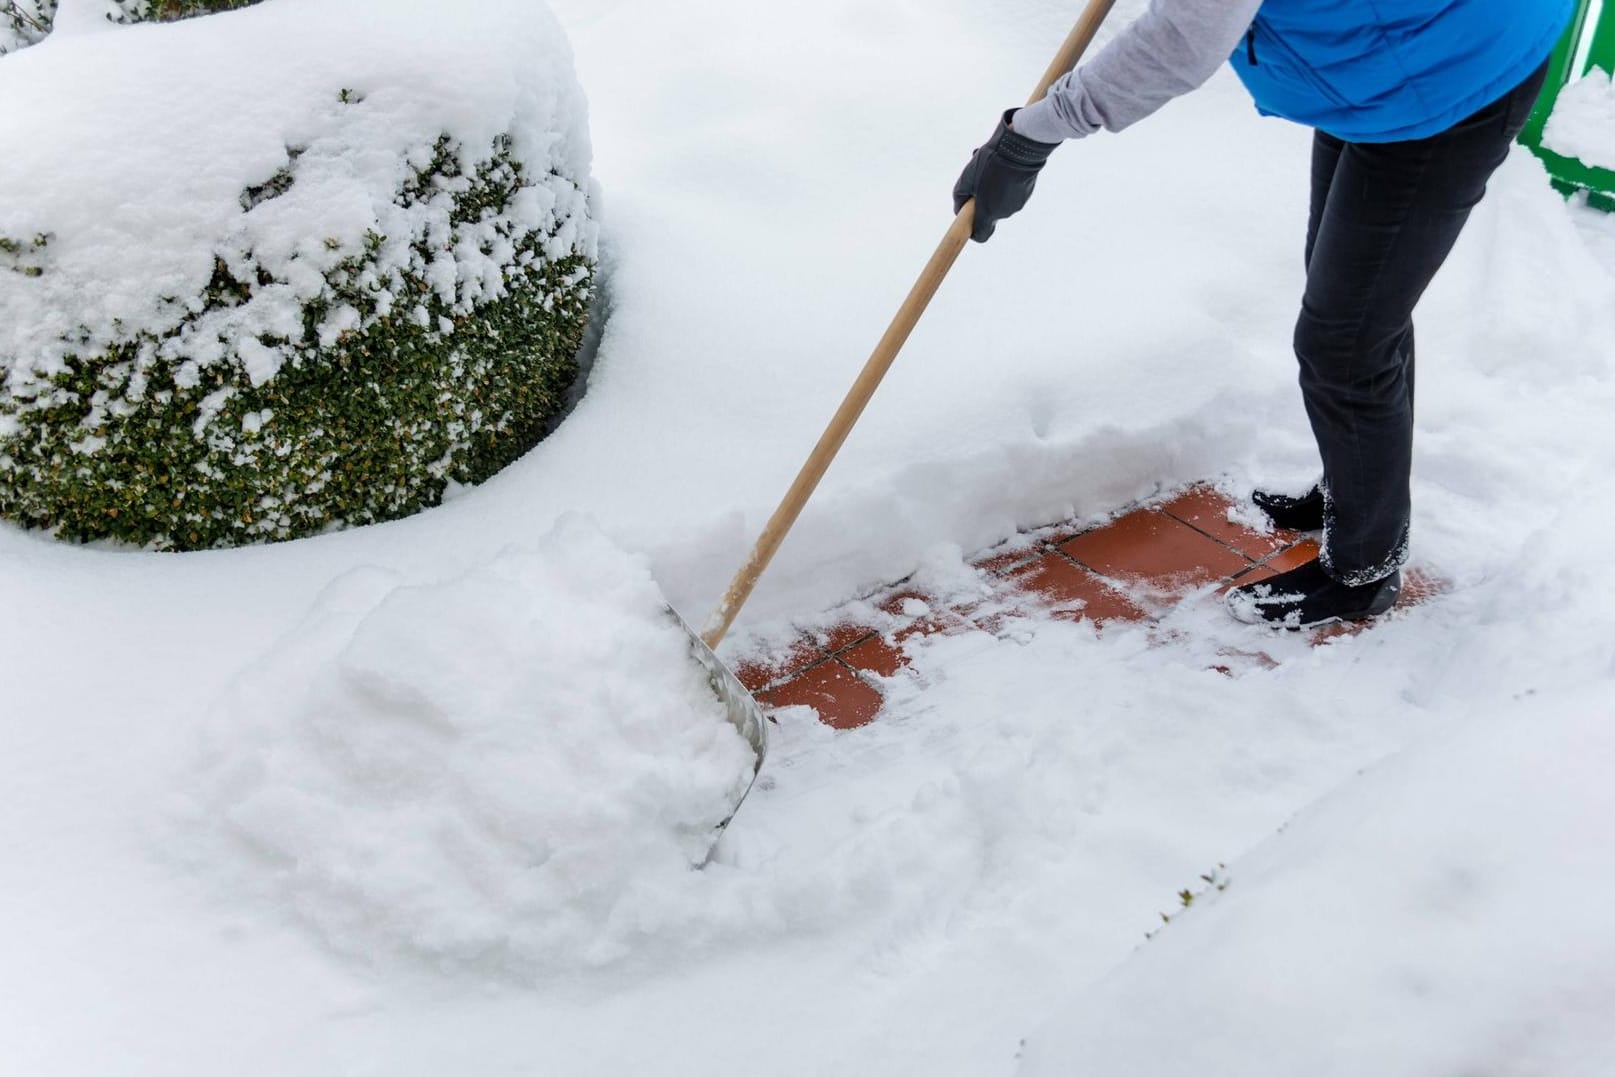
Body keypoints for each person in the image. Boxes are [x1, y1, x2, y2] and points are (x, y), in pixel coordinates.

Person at [954, 0, 1575, 628]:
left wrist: (1033, 134)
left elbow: (1184, 39)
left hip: (1449, 72)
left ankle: (1364, 568)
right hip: (1382, 55)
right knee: (1356, 310)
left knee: (1347, 339)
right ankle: (1358, 497)